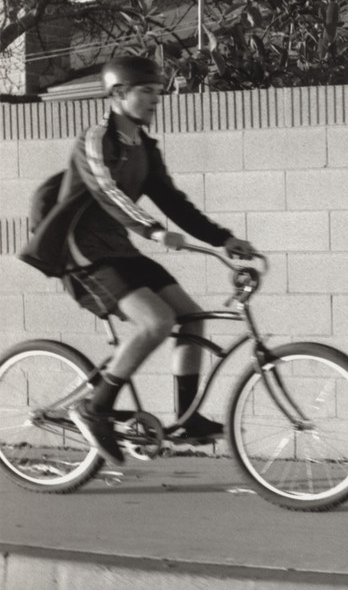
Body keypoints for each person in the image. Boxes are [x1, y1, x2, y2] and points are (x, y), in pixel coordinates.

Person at [19, 55, 255, 465]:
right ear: (118, 94)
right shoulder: (95, 139)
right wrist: (152, 230)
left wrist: (224, 239)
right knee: (156, 321)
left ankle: (186, 417)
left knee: (191, 317)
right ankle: (96, 409)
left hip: (119, 250)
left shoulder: (144, 147)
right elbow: (106, 190)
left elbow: (173, 202)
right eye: (146, 92)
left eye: (156, 92)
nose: (154, 100)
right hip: (83, 255)